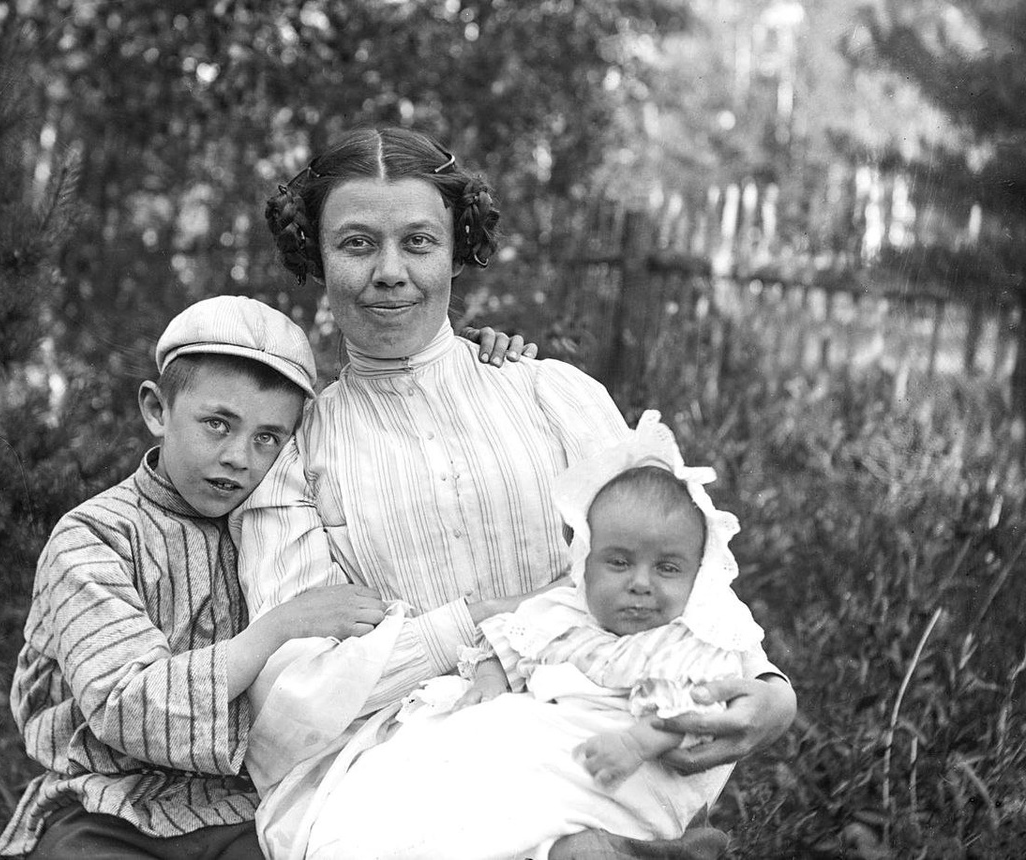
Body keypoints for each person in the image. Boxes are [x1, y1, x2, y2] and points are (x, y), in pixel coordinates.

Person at [236, 126, 796, 860]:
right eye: (357, 244)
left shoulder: (550, 395)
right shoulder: (296, 453)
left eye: (418, 242)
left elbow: (681, 563)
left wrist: (769, 686)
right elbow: (294, 690)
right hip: (399, 755)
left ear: (455, 249)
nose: (390, 272)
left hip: (597, 717)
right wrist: (472, 622)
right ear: (316, 254)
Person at [0, 296, 391, 859]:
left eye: (268, 437)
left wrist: (475, 363)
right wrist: (280, 627)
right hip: (107, 810)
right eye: (217, 424)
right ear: (157, 410)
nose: (238, 457)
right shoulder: (94, 537)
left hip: (248, 812)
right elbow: (126, 706)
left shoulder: (279, 523)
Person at [304, 410, 767, 859]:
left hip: (625, 765)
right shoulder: (567, 611)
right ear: (585, 562)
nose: (641, 583)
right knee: (431, 768)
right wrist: (490, 679)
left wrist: (636, 743)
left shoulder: (692, 641)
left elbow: (695, 714)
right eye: (619, 562)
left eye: (667, 568)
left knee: (548, 823)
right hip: (541, 737)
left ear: (698, 575)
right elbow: (510, 641)